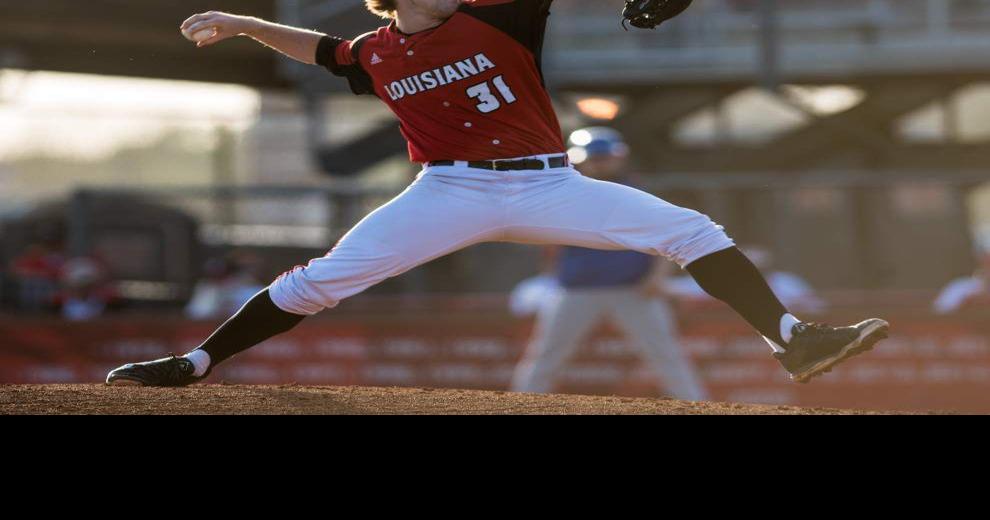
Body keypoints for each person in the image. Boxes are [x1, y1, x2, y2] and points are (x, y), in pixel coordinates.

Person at [107, 0, 888, 388]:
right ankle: (196, 362)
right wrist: (241, 24)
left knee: (691, 231)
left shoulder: (499, 13)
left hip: (551, 185)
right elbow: (317, 50)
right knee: (319, 282)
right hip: (446, 192)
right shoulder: (373, 51)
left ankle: (793, 339)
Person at [511, 127, 706, 400]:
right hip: (576, 290)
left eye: (605, 157)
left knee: (666, 356)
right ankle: (519, 406)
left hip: (634, 290)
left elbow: (667, 237)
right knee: (546, 356)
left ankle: (697, 406)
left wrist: (657, 277)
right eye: (594, 158)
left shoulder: (637, 191)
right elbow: (548, 241)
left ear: (619, 157)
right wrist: (551, 275)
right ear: (578, 159)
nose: (600, 163)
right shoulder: (564, 193)